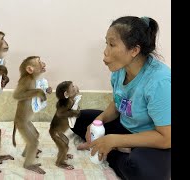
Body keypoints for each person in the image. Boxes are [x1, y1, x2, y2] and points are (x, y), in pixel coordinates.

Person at [70, 16, 171, 180]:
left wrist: (113, 141)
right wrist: (99, 121)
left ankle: (114, 153)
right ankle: (116, 149)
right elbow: (118, 104)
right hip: (126, 127)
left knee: (144, 172)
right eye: (106, 43)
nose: (105, 51)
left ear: (134, 50)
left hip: (153, 139)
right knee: (76, 119)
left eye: (112, 44)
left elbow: (167, 137)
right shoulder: (119, 70)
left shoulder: (160, 82)